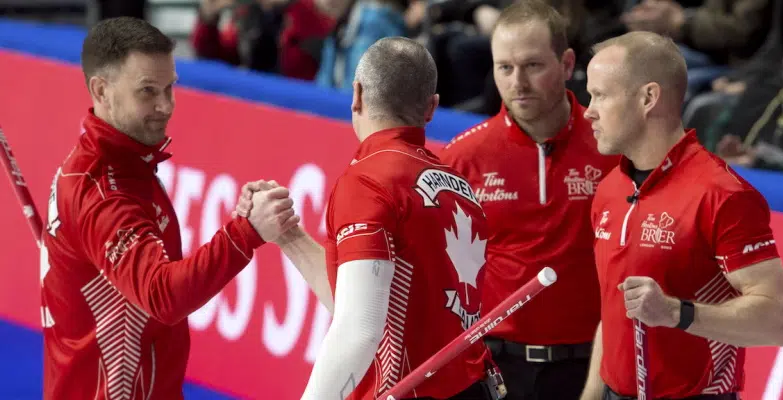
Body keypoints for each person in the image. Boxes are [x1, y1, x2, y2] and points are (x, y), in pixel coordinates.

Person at [40, 17, 299, 399]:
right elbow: (163, 295)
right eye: (147, 91)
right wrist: (247, 233)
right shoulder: (104, 194)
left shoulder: (124, 165)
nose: (165, 106)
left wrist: (243, 222)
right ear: (101, 90)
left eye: (169, 88)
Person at [237, 37, 502, 399]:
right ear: (431, 108)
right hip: (471, 387)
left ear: (356, 94)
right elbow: (367, 302)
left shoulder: (367, 180)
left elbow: (359, 330)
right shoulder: (458, 185)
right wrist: (289, 235)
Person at [579, 31, 783, 400]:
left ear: (648, 98)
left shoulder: (722, 194)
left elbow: (777, 322)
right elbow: (614, 314)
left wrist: (677, 313)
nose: (588, 110)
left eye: (601, 95)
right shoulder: (611, 188)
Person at [437, 2, 618, 399]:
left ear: (567, 64)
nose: (517, 82)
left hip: (591, 368)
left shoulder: (614, 151)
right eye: (505, 67)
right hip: (495, 367)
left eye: (533, 66)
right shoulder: (462, 158)